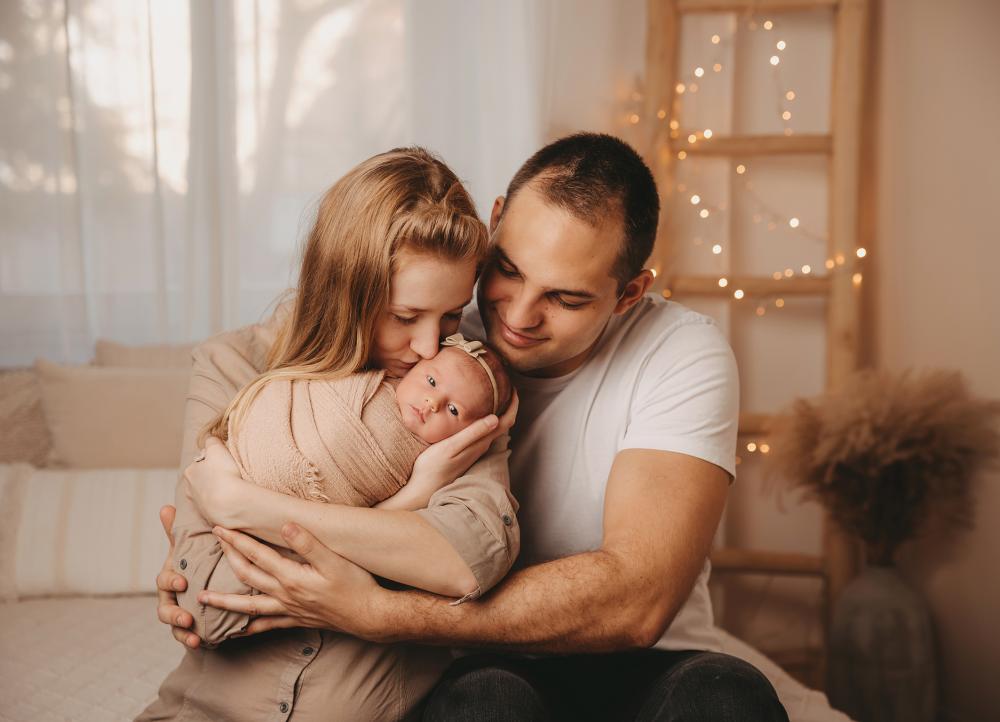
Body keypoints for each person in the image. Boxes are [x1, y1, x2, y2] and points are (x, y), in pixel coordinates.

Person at [157, 133, 790, 721]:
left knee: (725, 694)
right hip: (477, 670)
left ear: (628, 294)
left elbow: (635, 601)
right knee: (489, 698)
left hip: (637, 665)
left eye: (565, 299)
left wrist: (378, 610)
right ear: (493, 224)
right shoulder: (438, 341)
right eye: (508, 270)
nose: (517, 316)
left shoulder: (679, 353)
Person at [140, 147, 520, 721]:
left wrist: (242, 505)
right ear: (342, 291)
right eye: (403, 315)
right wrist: (407, 507)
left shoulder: (458, 391)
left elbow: (465, 561)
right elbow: (204, 606)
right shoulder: (232, 366)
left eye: (448, 316)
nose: (428, 346)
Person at [179, 333, 513, 646]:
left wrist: (419, 489)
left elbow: (468, 566)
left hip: (284, 528)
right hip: (246, 461)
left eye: (454, 411)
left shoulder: (442, 459)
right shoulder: (363, 373)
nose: (432, 402)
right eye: (431, 381)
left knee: (225, 590)